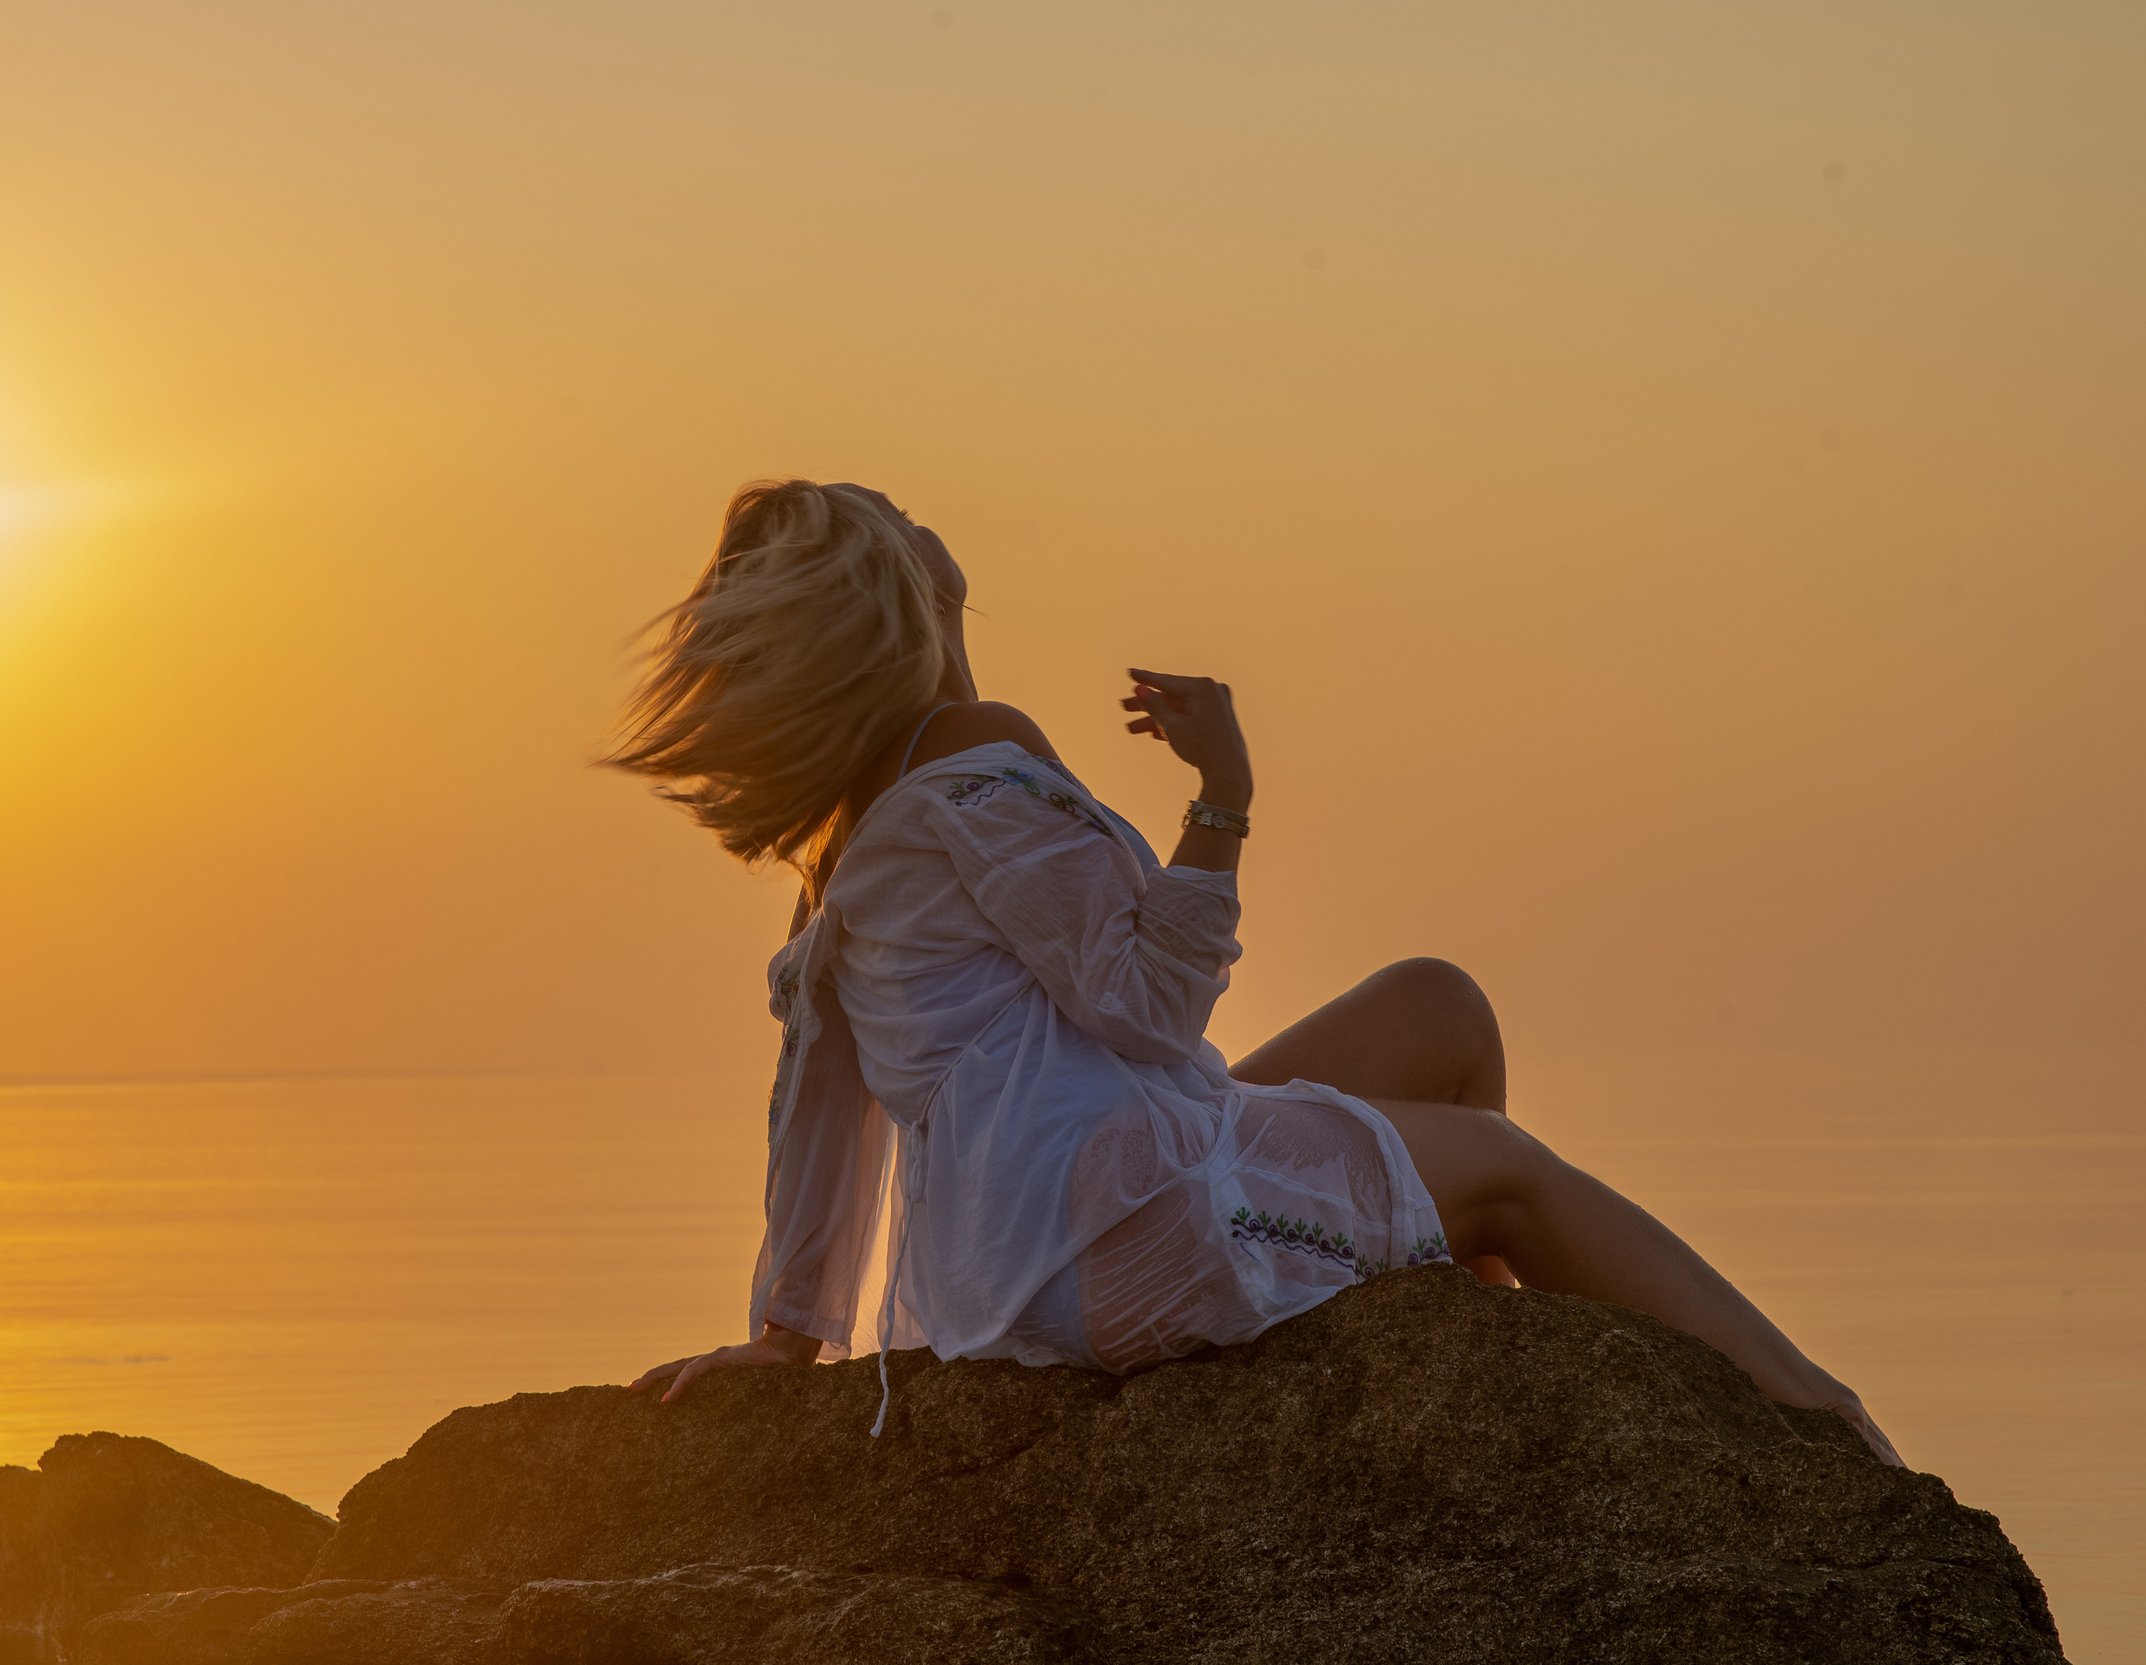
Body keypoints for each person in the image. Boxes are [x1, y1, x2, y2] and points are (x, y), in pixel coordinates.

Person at [611, 479, 1899, 1466]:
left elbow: (814, 1102)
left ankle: (1483, 1354)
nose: (912, 507)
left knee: (1436, 1009)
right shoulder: (974, 748)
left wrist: (784, 1334)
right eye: (893, 515)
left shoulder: (843, 840)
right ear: (910, 590)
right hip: (1120, 1230)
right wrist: (1223, 796)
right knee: (1511, 1172)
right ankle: (1827, 1425)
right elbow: (1151, 1003)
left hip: (1014, 1260)